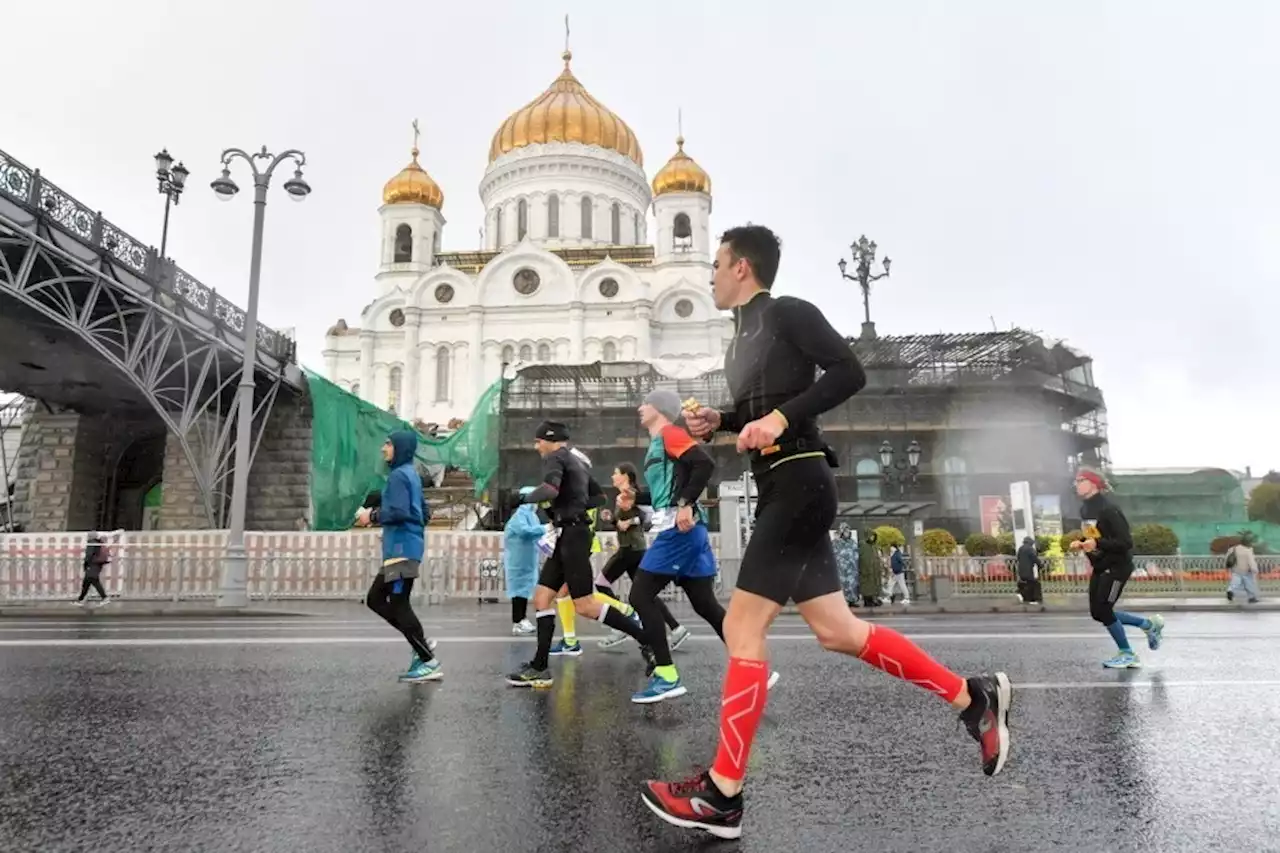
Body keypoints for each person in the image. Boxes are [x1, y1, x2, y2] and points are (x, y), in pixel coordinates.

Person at [640, 224, 1011, 840]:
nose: (709, 274)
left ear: (742, 268)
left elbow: (848, 372)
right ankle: (973, 699)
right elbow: (759, 409)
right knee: (839, 632)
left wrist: (781, 417)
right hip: (784, 486)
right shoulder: (740, 342)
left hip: (800, 481)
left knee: (741, 624)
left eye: (716, 263)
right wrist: (722, 420)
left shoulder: (787, 312)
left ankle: (723, 793)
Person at [626, 389, 780, 704]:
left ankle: (667, 675)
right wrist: (636, 497)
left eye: (645, 403)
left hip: (679, 530)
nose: (639, 408)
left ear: (659, 408)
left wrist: (685, 503)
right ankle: (757, 671)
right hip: (688, 529)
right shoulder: (659, 442)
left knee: (640, 596)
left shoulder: (670, 433)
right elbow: (666, 489)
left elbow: (703, 463)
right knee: (705, 604)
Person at [506, 421, 650, 687]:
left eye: (538, 441)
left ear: (550, 440)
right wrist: (571, 507)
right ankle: (540, 667)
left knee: (585, 605)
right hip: (570, 533)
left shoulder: (556, 457)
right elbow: (598, 498)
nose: (536, 446)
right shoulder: (576, 461)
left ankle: (647, 641)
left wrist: (522, 498)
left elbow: (549, 489)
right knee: (542, 598)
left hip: (573, 535)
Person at [354, 430, 440, 682]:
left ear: (400, 448)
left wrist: (372, 516)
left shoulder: (398, 477)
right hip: (404, 547)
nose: (384, 448)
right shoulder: (410, 474)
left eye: (389, 444)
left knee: (394, 602)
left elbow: (401, 511)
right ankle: (420, 646)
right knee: (377, 599)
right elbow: (424, 512)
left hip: (401, 550)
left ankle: (427, 659)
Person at [1070, 467, 1164, 668]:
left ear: (1093, 483)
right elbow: (1093, 536)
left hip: (1117, 566)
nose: (1076, 485)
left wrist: (1097, 544)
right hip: (1100, 565)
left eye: (1080, 481)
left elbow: (1125, 542)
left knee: (1104, 609)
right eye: (1075, 481)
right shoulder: (1085, 509)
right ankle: (1148, 625)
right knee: (1097, 612)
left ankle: (1127, 653)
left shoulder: (1109, 508)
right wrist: (1081, 542)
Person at [596, 462, 691, 651]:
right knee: (645, 593)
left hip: (630, 549)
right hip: (631, 548)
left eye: (615, 473)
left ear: (625, 476)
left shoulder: (632, 493)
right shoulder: (621, 496)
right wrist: (613, 519)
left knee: (600, 584)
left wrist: (631, 520)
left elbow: (649, 514)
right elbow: (623, 524)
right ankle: (676, 628)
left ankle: (623, 621)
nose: (612, 477)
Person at [504, 487, 543, 635]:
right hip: (518, 561)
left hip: (528, 559)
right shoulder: (519, 516)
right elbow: (525, 531)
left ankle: (522, 619)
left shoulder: (532, 516)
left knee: (524, 591)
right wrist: (545, 528)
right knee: (518, 591)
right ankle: (518, 621)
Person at [77, 532, 112, 607]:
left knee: (94, 581)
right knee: (86, 582)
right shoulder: (99, 543)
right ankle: (81, 599)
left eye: (88, 536)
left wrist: (86, 564)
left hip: (92, 564)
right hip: (97, 564)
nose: (87, 537)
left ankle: (105, 598)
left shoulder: (92, 543)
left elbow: (89, 555)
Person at [1226, 532, 1261, 603]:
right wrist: (1255, 570)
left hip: (1236, 570)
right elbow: (1251, 562)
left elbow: (1228, 557)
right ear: (1248, 542)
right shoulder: (1248, 551)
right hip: (1246, 571)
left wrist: (1229, 568)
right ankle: (1251, 597)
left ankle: (1230, 590)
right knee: (1250, 584)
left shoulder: (1234, 548)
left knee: (1234, 583)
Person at [833, 524, 859, 606]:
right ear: (842, 532)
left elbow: (856, 553)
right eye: (845, 531)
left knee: (852, 584)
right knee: (843, 585)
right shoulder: (837, 543)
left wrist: (855, 564)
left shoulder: (852, 542)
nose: (847, 533)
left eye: (848, 531)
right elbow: (834, 554)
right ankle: (843, 601)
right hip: (841, 568)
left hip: (852, 568)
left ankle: (852, 600)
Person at [858, 530, 883, 608]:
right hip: (866, 570)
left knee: (872, 586)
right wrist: (864, 569)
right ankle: (867, 601)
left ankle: (872, 599)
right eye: (871, 536)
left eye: (873, 536)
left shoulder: (873, 546)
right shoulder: (863, 545)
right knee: (867, 587)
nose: (872, 538)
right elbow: (863, 558)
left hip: (873, 570)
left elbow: (875, 557)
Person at [1015, 536, 1044, 604]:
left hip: (1021, 570)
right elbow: (1034, 558)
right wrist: (1040, 565)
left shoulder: (1020, 548)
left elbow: (1018, 558)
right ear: (1030, 542)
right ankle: (1036, 599)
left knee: (1029, 584)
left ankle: (1026, 597)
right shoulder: (1030, 549)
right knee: (1036, 584)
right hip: (1028, 570)